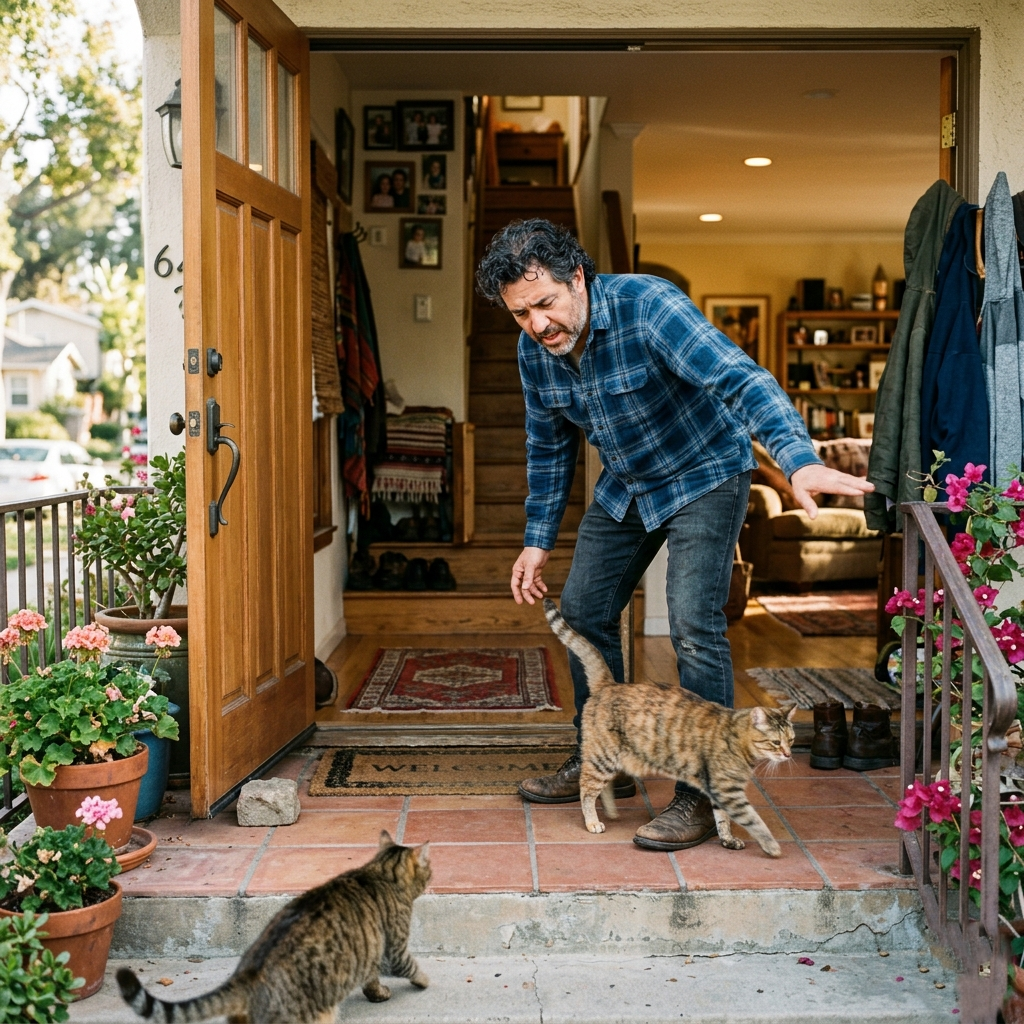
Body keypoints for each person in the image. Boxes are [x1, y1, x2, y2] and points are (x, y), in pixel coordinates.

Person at [474, 219, 873, 851]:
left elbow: (741, 378)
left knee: (693, 621)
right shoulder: (535, 352)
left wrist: (797, 457)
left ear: (577, 277)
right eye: (520, 314)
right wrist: (536, 538)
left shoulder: (650, 307)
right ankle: (604, 757)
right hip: (628, 483)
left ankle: (700, 792)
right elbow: (548, 447)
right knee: (582, 611)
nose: (537, 325)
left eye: (545, 304)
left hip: (706, 473)